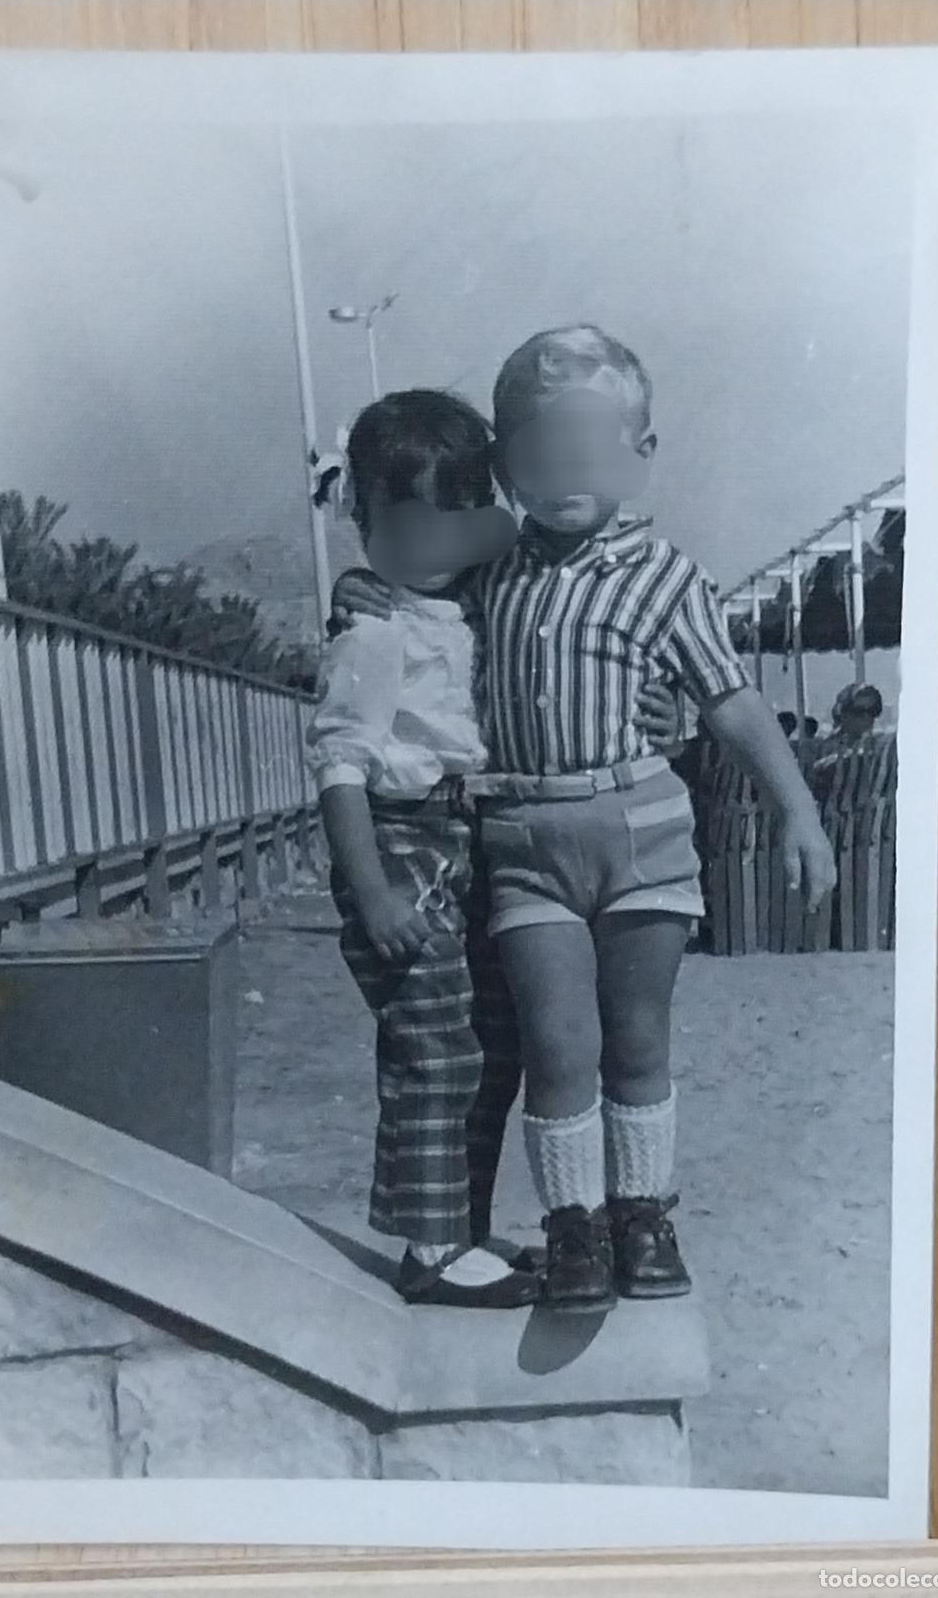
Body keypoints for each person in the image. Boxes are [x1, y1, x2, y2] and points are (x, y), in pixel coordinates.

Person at [333, 327, 836, 1313]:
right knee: (559, 1045)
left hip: (644, 830)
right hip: (527, 845)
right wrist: (364, 592)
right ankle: (574, 1229)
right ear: (505, 470)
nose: (564, 479)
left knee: (638, 1036)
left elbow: (729, 699)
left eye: (589, 456)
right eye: (537, 458)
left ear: (640, 456)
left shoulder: (671, 580)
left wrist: (797, 809)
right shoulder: (497, 566)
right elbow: (414, 575)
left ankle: (639, 1214)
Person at [307, 388, 680, 1308]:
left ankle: (461, 1233)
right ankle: (430, 1255)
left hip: (464, 841)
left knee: (488, 1048)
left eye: (450, 523)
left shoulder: (475, 597)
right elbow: (342, 766)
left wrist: (660, 711)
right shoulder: (376, 630)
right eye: (405, 528)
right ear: (363, 520)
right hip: (398, 849)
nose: (430, 545)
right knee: (432, 1053)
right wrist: (374, 893)